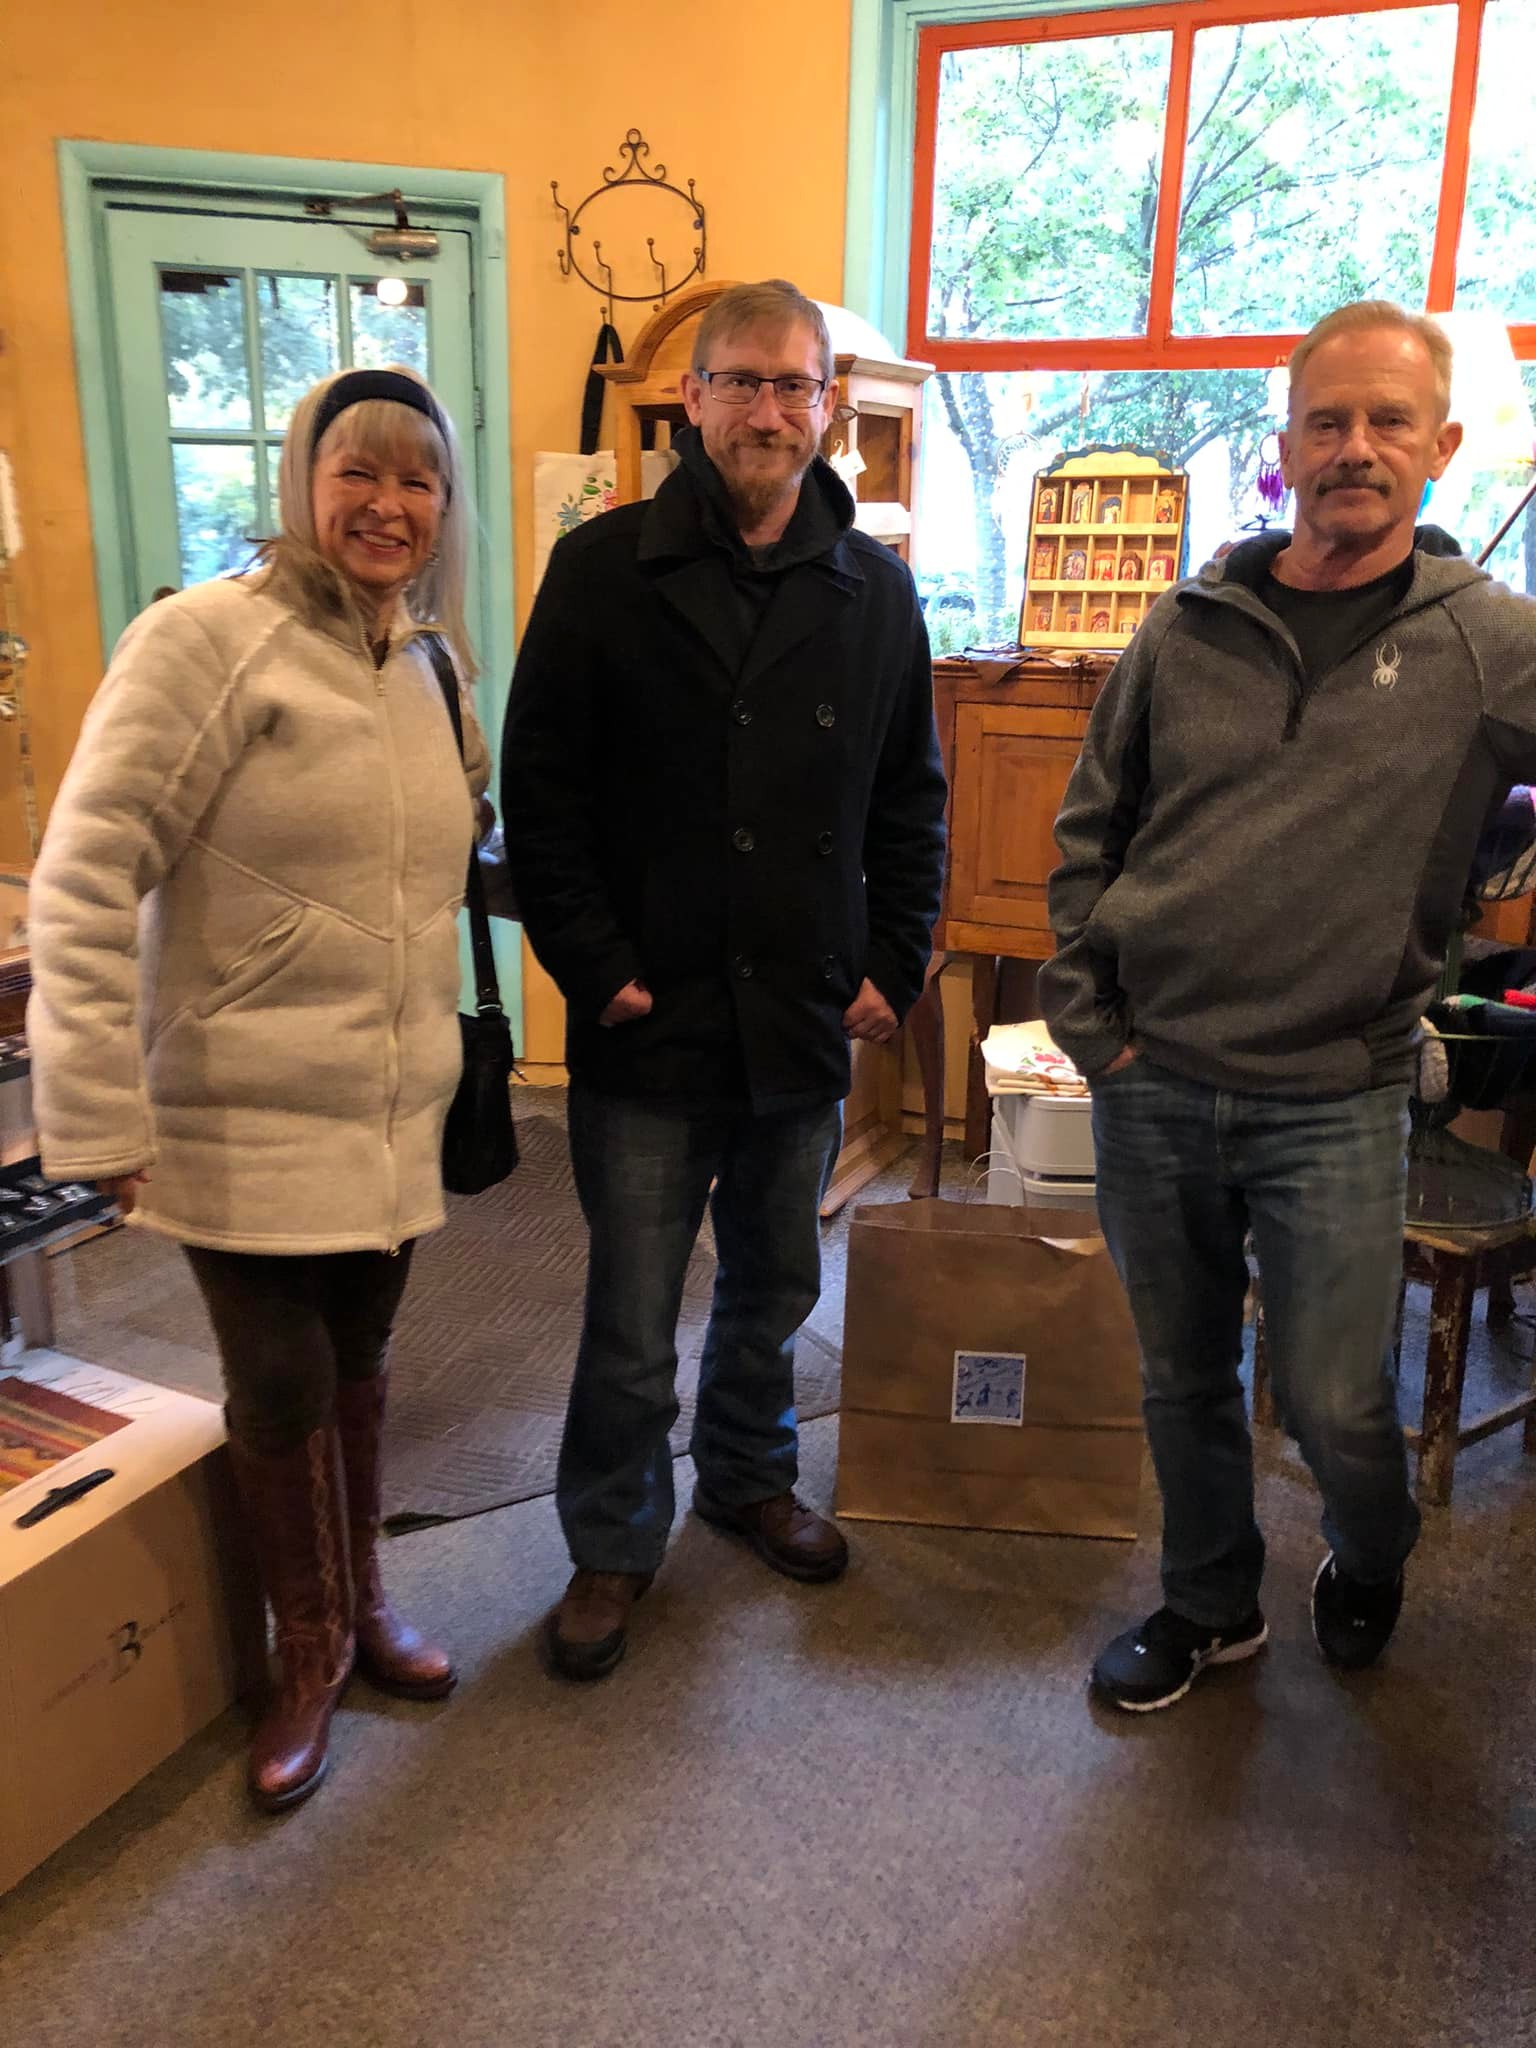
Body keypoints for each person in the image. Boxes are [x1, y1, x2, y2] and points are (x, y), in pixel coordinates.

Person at [1039, 299, 1536, 1712]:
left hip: (1336, 1091)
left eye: (1388, 420)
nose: (1355, 447)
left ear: (1441, 446)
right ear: (1288, 447)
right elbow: (1091, 826)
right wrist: (1092, 1024)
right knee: (1183, 1377)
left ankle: (1370, 1556)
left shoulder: (1491, 643)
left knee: (1332, 1401)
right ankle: (1211, 1604)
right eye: (1329, 421)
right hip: (1153, 1075)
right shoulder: (1186, 627)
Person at [27, 365, 490, 1807]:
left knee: (359, 1363)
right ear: (302, 481)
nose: (387, 504)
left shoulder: (431, 666)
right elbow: (85, 875)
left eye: (417, 478)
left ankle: (364, 1606)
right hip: (238, 1109)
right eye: (357, 471)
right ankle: (308, 1649)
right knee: (279, 1381)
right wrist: (93, 1110)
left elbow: (440, 862)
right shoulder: (203, 640)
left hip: (388, 1114)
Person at [502, 279, 947, 1680]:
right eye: (741, 381)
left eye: (792, 385)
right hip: (652, 1012)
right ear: (691, 400)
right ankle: (613, 1537)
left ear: (829, 409)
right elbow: (542, 794)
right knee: (634, 1314)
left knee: (774, 1284)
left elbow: (911, 802)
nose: (767, 409)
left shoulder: (875, 590)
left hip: (802, 1008)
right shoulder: (602, 569)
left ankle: (750, 1478)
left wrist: (894, 961)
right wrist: (597, 968)